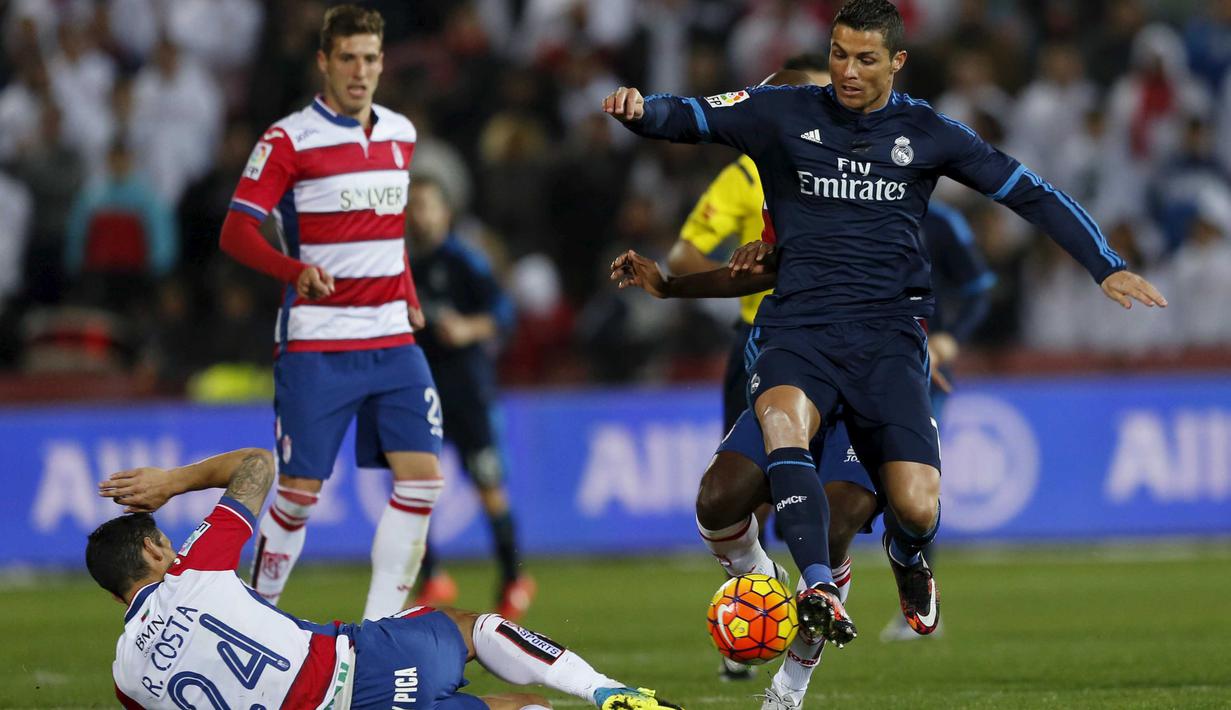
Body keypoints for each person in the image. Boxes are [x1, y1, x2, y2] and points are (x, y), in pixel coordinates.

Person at [605, 0, 1166, 651]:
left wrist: (1104, 265)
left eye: (864, 58)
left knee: (916, 505)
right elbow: (694, 115)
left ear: (896, 61)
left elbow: (1027, 191)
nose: (846, 70)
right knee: (774, 435)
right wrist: (642, 111)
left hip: (887, 341)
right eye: (838, 54)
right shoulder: (783, 111)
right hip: (800, 331)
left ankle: (906, 558)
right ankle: (814, 586)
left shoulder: (927, 132)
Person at [90, 448, 683, 710]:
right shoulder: (193, 568)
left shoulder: (124, 677)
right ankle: (605, 692)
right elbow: (256, 465)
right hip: (353, 668)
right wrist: (172, 482)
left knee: (514, 707)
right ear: (154, 548)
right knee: (464, 628)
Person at [219, 5, 443, 620]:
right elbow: (236, 232)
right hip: (317, 341)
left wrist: (411, 296)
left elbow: (389, 230)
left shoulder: (401, 132)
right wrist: (296, 272)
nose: (360, 70)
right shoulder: (288, 139)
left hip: (392, 336)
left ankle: (379, 629)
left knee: (422, 481)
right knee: (297, 496)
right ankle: (253, 618)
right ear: (324, 61)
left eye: (370, 58)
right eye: (347, 57)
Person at [667, 54, 830, 683]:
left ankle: (794, 621)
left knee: (829, 496)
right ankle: (755, 611)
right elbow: (685, 252)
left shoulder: (854, 169)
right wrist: (729, 293)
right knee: (744, 492)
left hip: (835, 343)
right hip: (764, 338)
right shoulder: (744, 174)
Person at [407, 175, 535, 620]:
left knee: (488, 486)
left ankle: (513, 577)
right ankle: (432, 575)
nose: (417, 214)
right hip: (420, 390)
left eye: (425, 205)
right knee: (413, 482)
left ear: (444, 212)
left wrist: (468, 328)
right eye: (412, 206)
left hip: (467, 390)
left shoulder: (464, 260)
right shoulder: (401, 262)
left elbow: (504, 312)